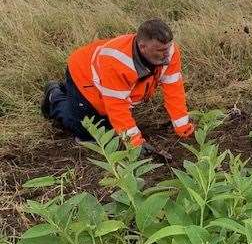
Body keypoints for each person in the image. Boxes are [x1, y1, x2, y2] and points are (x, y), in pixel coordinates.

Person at [41, 18, 194, 149]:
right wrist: (135, 144)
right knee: (91, 133)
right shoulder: (117, 62)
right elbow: (117, 106)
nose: (166, 53)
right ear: (143, 47)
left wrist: (183, 128)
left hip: (105, 78)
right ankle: (54, 96)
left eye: (168, 48)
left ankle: (72, 98)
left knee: (113, 127)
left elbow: (174, 90)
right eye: (160, 50)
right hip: (83, 74)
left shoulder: (170, 52)